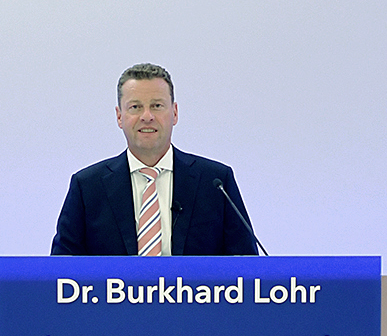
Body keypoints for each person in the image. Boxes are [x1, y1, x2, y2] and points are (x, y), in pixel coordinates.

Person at [52, 64, 259, 256]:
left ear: (174, 113)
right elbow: (61, 269)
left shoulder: (216, 182)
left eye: (157, 105)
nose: (147, 116)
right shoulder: (87, 187)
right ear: (119, 116)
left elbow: (247, 265)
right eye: (135, 107)